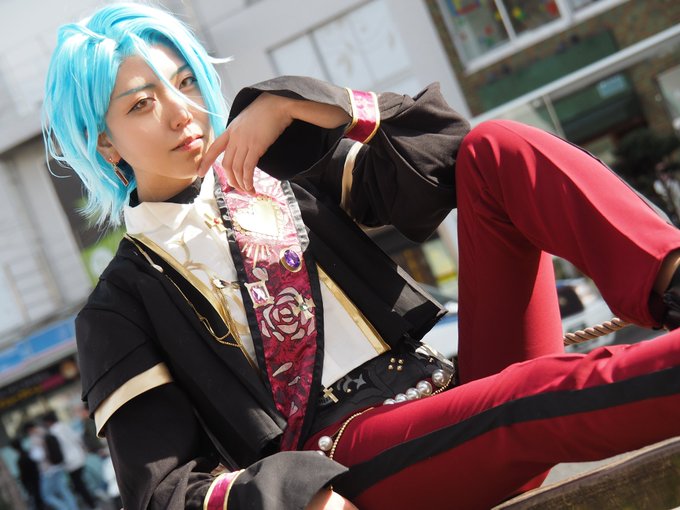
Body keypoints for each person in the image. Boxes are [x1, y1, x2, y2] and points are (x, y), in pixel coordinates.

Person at [42, 3, 680, 509]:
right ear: (104, 144)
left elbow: (448, 152)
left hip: (457, 396)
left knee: (497, 147)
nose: (182, 112)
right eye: (142, 104)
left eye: (185, 82)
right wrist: (296, 496)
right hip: (350, 462)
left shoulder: (281, 177)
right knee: (529, 396)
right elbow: (164, 493)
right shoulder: (119, 306)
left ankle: (671, 277)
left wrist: (297, 104)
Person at [43, 410, 99, 508]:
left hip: (69, 462)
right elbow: (76, 438)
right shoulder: (64, 426)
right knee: (81, 482)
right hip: (78, 456)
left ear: (48, 422)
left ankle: (91, 503)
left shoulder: (52, 432)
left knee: (79, 484)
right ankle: (93, 498)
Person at [23, 421, 79, 510]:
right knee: (64, 490)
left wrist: (31, 453)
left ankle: (64, 508)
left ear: (29, 430)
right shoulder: (46, 431)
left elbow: (38, 456)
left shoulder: (35, 438)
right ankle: (73, 508)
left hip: (48, 470)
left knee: (46, 495)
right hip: (58, 465)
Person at [10, 436, 45, 510]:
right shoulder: (29, 454)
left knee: (38, 503)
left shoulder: (20, 460)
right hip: (39, 480)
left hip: (31, 485)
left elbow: (24, 476)